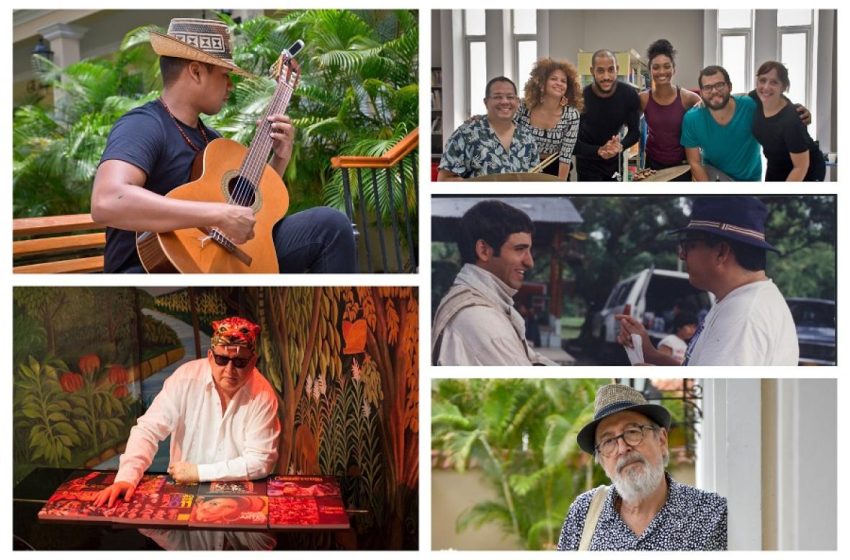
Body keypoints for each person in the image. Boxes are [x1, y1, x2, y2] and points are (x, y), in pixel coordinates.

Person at [90, 18, 355, 273]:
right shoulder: (144, 125)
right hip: (154, 273)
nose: (231, 86)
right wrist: (216, 214)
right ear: (195, 71)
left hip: (216, 261)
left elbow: (247, 210)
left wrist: (280, 158)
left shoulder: (212, 140)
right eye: (225, 75)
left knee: (329, 227)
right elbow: (107, 200)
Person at [94, 316, 281, 507]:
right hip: (182, 496)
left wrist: (198, 472)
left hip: (239, 502)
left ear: (253, 361)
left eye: (239, 362)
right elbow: (148, 430)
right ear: (210, 357)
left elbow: (260, 461)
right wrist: (126, 477)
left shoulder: (263, 396)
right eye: (222, 359)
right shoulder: (185, 379)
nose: (229, 370)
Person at [617, 197, 799, 365]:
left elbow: (714, 391)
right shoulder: (739, 301)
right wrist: (651, 354)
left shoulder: (743, 316)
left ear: (721, 252)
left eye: (689, 245)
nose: (681, 255)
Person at [557, 384, 727, 550]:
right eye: (608, 441)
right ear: (601, 459)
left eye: (632, 431)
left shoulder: (711, 513)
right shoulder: (583, 513)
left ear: (661, 440)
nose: (623, 448)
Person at [431, 200, 556, 365]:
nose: (530, 262)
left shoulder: (482, 303)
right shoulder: (481, 319)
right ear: (484, 250)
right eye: (519, 249)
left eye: (529, 250)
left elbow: (532, 361)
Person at [438, 77, 538, 180]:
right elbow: (444, 179)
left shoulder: (527, 137)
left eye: (510, 97)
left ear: (517, 102)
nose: (504, 101)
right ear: (486, 102)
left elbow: (536, 178)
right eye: (497, 97)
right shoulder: (465, 134)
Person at [752, 61, 825, 181]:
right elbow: (736, 100)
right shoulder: (756, 97)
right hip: (776, 164)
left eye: (774, 82)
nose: (766, 87)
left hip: (806, 169)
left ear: (784, 87)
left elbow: (801, 167)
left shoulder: (791, 120)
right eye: (762, 80)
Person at [574, 50, 641, 181]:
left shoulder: (629, 95)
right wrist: (598, 150)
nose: (606, 76)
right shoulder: (580, 99)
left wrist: (620, 146)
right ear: (592, 71)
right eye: (600, 71)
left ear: (617, 69)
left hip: (614, 164)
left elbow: (635, 132)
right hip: (587, 165)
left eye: (611, 70)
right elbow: (572, 144)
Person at [639, 40, 701, 179]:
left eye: (667, 66)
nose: (661, 72)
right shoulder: (643, 99)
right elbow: (626, 121)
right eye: (656, 67)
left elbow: (707, 122)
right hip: (653, 165)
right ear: (649, 71)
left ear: (674, 69)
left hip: (682, 165)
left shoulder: (688, 98)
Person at [516, 58, 583, 180]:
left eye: (564, 81)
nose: (559, 83)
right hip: (522, 165)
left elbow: (565, 157)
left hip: (555, 169)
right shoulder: (523, 107)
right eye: (554, 79)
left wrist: (559, 188)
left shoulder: (571, 115)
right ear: (542, 83)